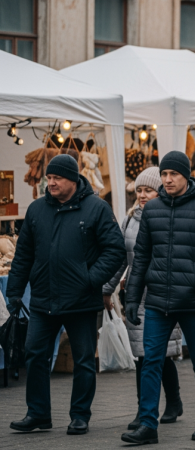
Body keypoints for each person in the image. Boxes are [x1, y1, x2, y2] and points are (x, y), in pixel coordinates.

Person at [7, 155, 125, 435]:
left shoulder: (96, 208)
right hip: (43, 300)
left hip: (81, 301)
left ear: (73, 179)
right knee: (35, 356)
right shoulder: (36, 210)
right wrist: (13, 293)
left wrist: (91, 280)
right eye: (49, 178)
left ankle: (80, 415)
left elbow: (115, 250)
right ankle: (37, 414)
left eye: (56, 178)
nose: (51, 183)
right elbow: (23, 255)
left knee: (83, 359)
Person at [121, 151, 195, 445]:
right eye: (164, 174)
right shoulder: (152, 210)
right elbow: (141, 256)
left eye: (174, 175)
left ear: (186, 176)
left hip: (193, 302)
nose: (167, 180)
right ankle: (147, 424)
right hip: (157, 301)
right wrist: (132, 298)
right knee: (150, 361)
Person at [103, 168, 183, 431]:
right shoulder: (129, 222)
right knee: (142, 355)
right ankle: (143, 410)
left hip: (164, 296)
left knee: (161, 355)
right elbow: (120, 259)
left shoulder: (168, 216)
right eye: (138, 190)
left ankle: (173, 401)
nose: (142, 195)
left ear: (160, 190)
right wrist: (108, 287)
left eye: (148, 190)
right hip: (136, 297)